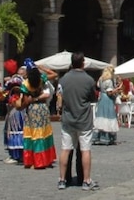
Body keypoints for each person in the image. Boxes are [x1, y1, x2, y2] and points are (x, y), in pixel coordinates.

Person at [57, 52, 100, 190]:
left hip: (68, 119)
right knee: (85, 150)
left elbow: (60, 97)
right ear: (82, 62)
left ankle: (62, 179)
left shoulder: (63, 79)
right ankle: (86, 180)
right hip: (84, 120)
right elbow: (93, 98)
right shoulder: (88, 80)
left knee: (65, 149)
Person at [19, 63, 57, 169]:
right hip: (43, 108)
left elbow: (26, 101)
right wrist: (41, 67)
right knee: (44, 132)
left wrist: (20, 106)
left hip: (32, 109)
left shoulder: (26, 84)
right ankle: (45, 160)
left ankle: (33, 161)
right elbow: (54, 74)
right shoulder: (41, 79)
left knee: (32, 133)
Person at [93, 65, 119, 146]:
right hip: (108, 99)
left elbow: (98, 86)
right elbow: (109, 92)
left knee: (101, 116)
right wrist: (117, 89)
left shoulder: (101, 79)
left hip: (101, 99)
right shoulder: (109, 81)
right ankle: (108, 137)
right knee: (109, 117)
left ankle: (98, 137)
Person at [3, 74, 25, 164]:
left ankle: (17, 156)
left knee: (16, 131)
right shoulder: (11, 94)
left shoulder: (21, 95)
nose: (15, 88)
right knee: (12, 132)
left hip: (17, 113)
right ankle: (15, 155)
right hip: (12, 114)